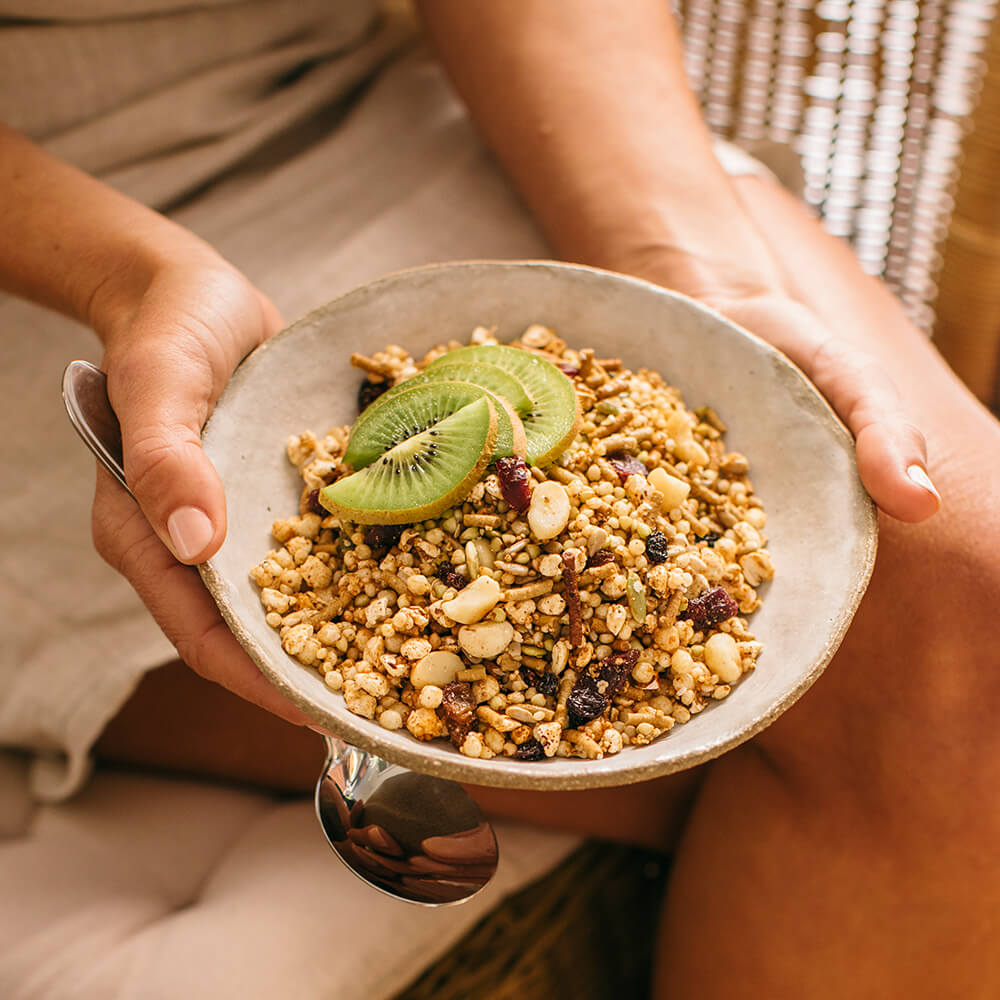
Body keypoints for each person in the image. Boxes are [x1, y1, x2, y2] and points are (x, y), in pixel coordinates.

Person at [4, 1, 990, 997]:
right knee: (872, 763)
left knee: (970, 615)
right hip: (54, 254)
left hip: (416, 105)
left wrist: (680, 275)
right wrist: (133, 279)